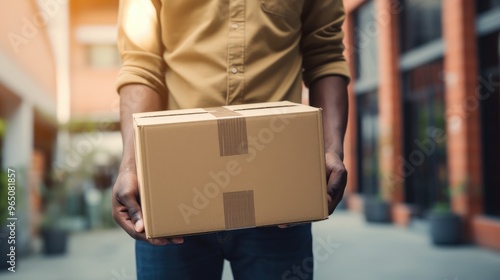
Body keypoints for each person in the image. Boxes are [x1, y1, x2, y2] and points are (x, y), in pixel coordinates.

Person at [112, 0, 350, 279]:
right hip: (172, 196)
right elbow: (141, 66)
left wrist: (331, 149)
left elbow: (325, 57)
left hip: (279, 195)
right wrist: (130, 166)